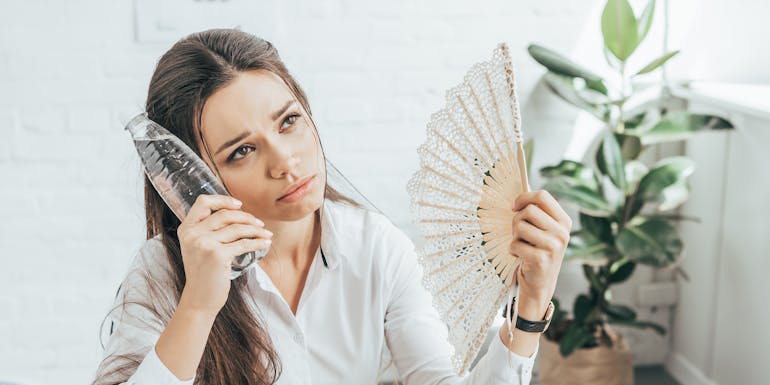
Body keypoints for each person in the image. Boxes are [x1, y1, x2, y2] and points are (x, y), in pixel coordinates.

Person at [92, 28, 572, 385]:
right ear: (192, 181)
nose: (286, 161)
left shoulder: (376, 249)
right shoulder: (163, 272)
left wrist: (529, 308)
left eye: (289, 122)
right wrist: (198, 305)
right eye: (242, 151)